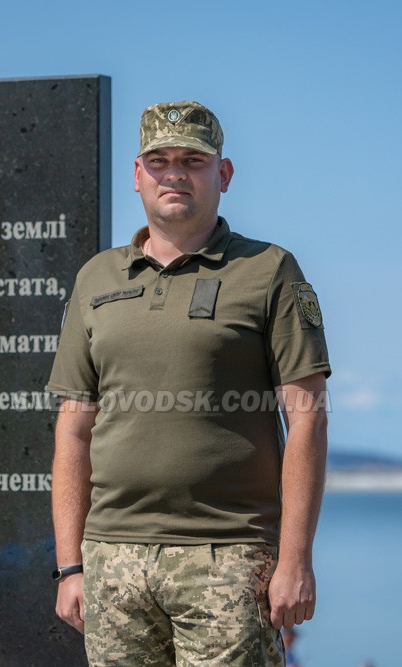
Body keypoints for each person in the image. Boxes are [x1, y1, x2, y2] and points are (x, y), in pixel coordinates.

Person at [47, 100, 331, 666]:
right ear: (137, 175)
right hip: (112, 561)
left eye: (192, 160)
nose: (174, 173)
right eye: (160, 160)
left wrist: (294, 559)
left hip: (228, 559)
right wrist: (71, 566)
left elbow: (307, 418)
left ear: (222, 175)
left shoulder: (269, 270)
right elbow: (73, 430)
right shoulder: (97, 278)